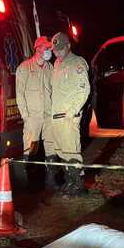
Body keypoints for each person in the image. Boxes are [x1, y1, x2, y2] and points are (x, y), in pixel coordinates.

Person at [49, 32, 90, 196]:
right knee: (61, 151)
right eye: (54, 50)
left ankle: (78, 185)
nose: (57, 53)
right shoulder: (57, 64)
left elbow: (84, 90)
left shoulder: (77, 63)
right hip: (56, 117)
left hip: (68, 117)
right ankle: (69, 180)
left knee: (72, 150)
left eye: (59, 49)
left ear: (68, 46)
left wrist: (72, 111)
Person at [16, 36, 59, 188]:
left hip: (48, 116)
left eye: (49, 48)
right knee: (31, 149)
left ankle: (50, 180)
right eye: (46, 48)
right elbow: (19, 94)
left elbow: (53, 90)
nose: (48, 51)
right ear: (38, 49)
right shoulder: (24, 67)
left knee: (51, 147)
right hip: (32, 118)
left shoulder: (50, 67)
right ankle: (29, 183)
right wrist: (26, 116)